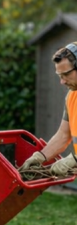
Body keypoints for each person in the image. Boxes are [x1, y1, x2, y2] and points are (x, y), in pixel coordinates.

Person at [21, 43, 77, 178]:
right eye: (60, 76)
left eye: (66, 74)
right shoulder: (72, 97)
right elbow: (64, 135)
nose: (62, 82)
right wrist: (40, 156)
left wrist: (74, 160)